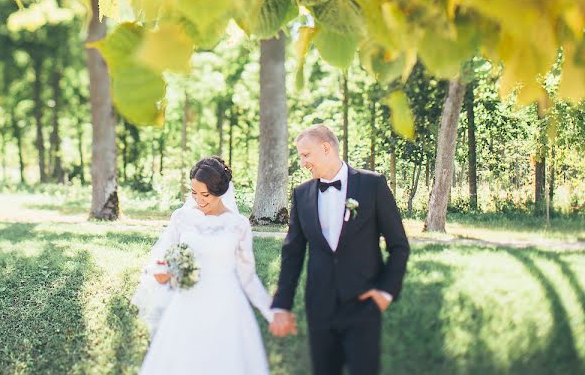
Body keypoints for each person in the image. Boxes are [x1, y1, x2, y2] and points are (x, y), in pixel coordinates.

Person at [269, 124, 410, 375]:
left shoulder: (372, 185)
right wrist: (282, 305)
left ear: (326, 148)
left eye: (305, 155)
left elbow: (399, 245)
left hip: (363, 306)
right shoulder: (302, 195)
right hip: (319, 307)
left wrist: (386, 291)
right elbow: (293, 253)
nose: (302, 162)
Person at [133, 156, 273, 375]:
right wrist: (163, 273)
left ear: (220, 191)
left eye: (205, 194)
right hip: (188, 303)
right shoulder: (181, 218)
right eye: (194, 193)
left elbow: (247, 277)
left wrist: (271, 312)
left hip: (227, 306)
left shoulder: (238, 225)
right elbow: (163, 259)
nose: (199, 200)